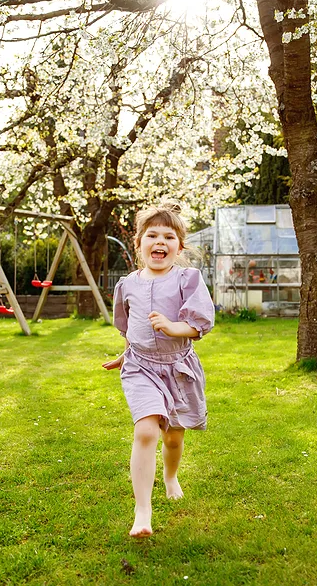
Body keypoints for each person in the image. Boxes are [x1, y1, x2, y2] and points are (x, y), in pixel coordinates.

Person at [102, 203, 215, 538]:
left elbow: (198, 327)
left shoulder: (188, 279)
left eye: (168, 236)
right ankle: (142, 511)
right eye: (152, 235)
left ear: (180, 247)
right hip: (140, 368)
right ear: (139, 244)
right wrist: (125, 355)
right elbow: (129, 328)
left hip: (178, 368)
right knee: (147, 431)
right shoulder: (128, 285)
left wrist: (172, 326)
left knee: (173, 438)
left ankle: (170, 476)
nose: (160, 241)